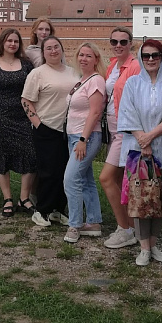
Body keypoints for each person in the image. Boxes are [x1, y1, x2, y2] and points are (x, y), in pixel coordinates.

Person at [117, 39, 162, 264]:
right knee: (141, 198)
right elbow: (127, 112)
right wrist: (143, 140)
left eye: (155, 55)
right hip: (137, 150)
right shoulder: (133, 83)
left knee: (159, 199)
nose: (151, 59)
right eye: (146, 55)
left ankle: (153, 244)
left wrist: (151, 136)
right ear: (141, 58)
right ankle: (143, 247)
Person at [21, 35, 78, 227]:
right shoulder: (38, 73)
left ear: (62, 49)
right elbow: (26, 100)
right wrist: (38, 124)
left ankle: (58, 210)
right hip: (47, 128)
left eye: (56, 47)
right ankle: (42, 210)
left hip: (69, 130)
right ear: (43, 53)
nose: (53, 51)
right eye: (49, 48)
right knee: (48, 172)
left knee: (64, 172)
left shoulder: (73, 72)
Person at [0, 28, 37, 217]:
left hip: (23, 117)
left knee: (30, 154)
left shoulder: (26, 65)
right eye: (9, 41)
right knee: (1, 157)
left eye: (16, 41)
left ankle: (24, 198)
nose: (12, 44)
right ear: (2, 43)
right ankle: (7, 198)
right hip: (0, 116)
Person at [100, 27, 142, 249]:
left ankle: (124, 229)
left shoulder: (135, 66)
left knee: (106, 178)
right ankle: (131, 227)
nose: (118, 45)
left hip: (125, 131)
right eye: (114, 41)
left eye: (123, 42)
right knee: (118, 181)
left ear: (130, 43)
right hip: (113, 129)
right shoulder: (113, 66)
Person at [62, 43, 106, 243]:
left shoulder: (96, 80)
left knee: (70, 179)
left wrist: (83, 140)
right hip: (75, 136)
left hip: (85, 137)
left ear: (96, 59)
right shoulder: (82, 80)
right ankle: (94, 222)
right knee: (85, 180)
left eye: (88, 56)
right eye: (81, 55)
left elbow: (95, 112)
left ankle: (75, 225)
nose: (83, 59)